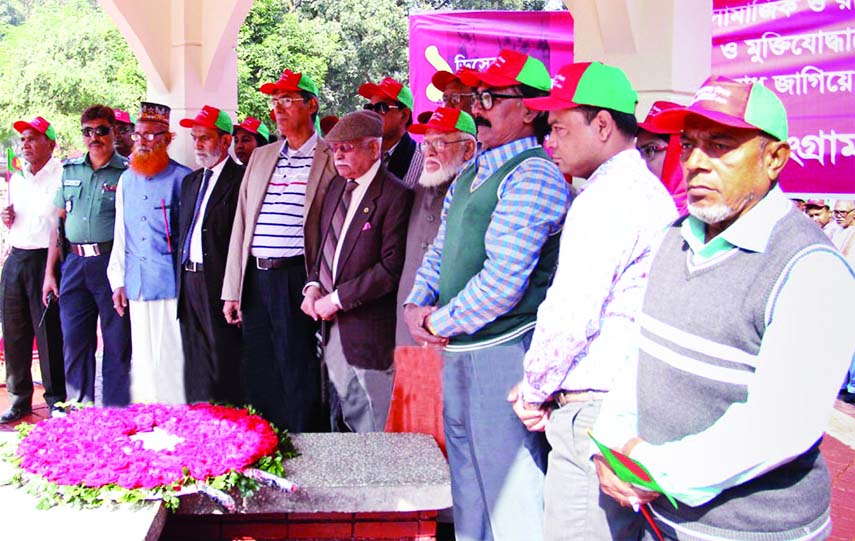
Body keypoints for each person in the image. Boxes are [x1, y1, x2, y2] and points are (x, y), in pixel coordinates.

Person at [592, 76, 855, 541]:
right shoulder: (674, 239)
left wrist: (653, 468)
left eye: (720, 146)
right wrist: (612, 446)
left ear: (774, 158)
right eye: (689, 145)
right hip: (659, 518)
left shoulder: (810, 269)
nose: (695, 163)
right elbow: (640, 358)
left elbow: (780, 426)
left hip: (751, 530)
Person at [404, 49, 572, 541]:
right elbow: (438, 251)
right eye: (477, 96)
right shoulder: (474, 173)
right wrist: (417, 303)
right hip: (463, 349)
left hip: (504, 352)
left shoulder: (533, 173)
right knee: (470, 485)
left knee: (511, 491)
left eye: (492, 97)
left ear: (531, 109)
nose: (478, 107)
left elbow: (503, 284)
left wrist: (436, 322)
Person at [510, 62, 677, 541]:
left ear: (602, 125)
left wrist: (534, 387)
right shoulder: (642, 190)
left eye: (560, 128)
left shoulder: (607, 199)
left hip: (593, 412)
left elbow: (571, 313)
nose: (550, 142)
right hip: (621, 402)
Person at [221, 68, 336, 431]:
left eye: (288, 100)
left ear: (312, 105)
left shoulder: (330, 156)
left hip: (298, 277)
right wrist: (232, 290)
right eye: (275, 101)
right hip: (256, 276)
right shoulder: (262, 155)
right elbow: (241, 224)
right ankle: (267, 440)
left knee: (297, 365)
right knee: (260, 366)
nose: (279, 109)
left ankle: (303, 442)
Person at [301, 110, 412, 432]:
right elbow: (324, 247)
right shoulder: (337, 186)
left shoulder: (394, 194)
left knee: (371, 422)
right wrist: (311, 287)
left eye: (347, 148)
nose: (339, 155)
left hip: (367, 332)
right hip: (330, 329)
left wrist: (336, 299)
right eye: (335, 148)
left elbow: (390, 268)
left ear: (374, 149)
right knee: (340, 417)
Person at [43, 104, 131, 406]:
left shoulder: (127, 173)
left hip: (110, 263)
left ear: (114, 132)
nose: (94, 137)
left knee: (117, 341)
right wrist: (49, 274)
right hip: (75, 263)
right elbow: (57, 225)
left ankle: (116, 412)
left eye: (101, 131)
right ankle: (79, 410)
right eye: (88, 132)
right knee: (75, 340)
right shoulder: (70, 170)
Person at [107, 102, 190, 404]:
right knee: (142, 360)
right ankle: (148, 418)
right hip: (136, 283)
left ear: (167, 139)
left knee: (170, 356)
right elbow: (120, 233)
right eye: (138, 134)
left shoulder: (184, 178)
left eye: (151, 135)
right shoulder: (126, 179)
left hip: (171, 284)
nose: (142, 141)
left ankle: (175, 418)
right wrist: (117, 280)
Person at [177, 106, 245, 405]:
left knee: (223, 357)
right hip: (188, 279)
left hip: (219, 282)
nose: (198, 145)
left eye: (205, 137)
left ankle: (228, 421)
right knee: (195, 358)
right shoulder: (191, 181)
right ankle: (199, 420)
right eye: (195, 138)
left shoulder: (241, 179)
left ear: (226, 141)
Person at [0, 116, 66, 422]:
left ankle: (55, 400)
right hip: (17, 257)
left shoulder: (61, 175)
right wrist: (8, 219)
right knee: (15, 333)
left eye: (33, 138)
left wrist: (52, 270)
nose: (25, 144)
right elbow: (17, 219)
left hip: (46, 259)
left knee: (48, 331)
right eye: (23, 139)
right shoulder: (17, 178)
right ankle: (19, 398)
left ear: (50, 144)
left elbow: (58, 224)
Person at [395, 107, 476, 346]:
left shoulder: (477, 192)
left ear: (468, 149)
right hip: (410, 317)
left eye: (440, 143)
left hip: (451, 324)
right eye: (425, 143)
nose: (429, 152)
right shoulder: (418, 187)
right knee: (413, 382)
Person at [358, 76, 424, 189]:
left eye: (381, 108)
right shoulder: (360, 155)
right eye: (369, 108)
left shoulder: (423, 162)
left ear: (404, 115)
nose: (373, 114)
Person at [637, 101, 687, 215]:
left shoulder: (705, 212)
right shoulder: (635, 205)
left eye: (649, 150)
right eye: (637, 152)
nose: (639, 162)